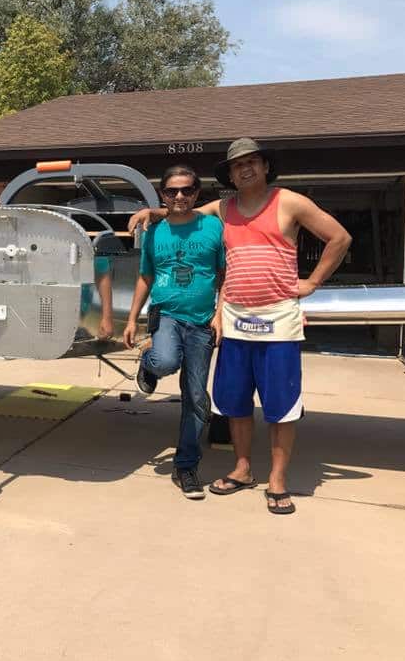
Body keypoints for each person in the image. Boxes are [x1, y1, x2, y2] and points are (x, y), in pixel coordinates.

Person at [128, 139, 351, 513]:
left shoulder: (290, 201)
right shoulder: (223, 208)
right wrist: (152, 212)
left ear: (265, 166)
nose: (244, 169)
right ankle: (243, 469)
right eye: (237, 165)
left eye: (251, 162)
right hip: (233, 318)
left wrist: (312, 282)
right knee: (234, 402)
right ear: (229, 175)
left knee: (281, 405)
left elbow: (339, 237)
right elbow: (184, 213)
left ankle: (277, 479)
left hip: (278, 318)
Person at [122, 165, 226, 500]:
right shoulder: (155, 231)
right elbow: (145, 277)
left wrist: (221, 314)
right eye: (171, 191)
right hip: (165, 314)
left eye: (186, 190)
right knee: (165, 360)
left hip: (202, 321)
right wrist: (131, 319)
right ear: (162, 195)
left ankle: (185, 467)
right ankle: (149, 363)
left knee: (196, 396)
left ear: (196, 193)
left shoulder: (213, 227)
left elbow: (225, 274)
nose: (179, 196)